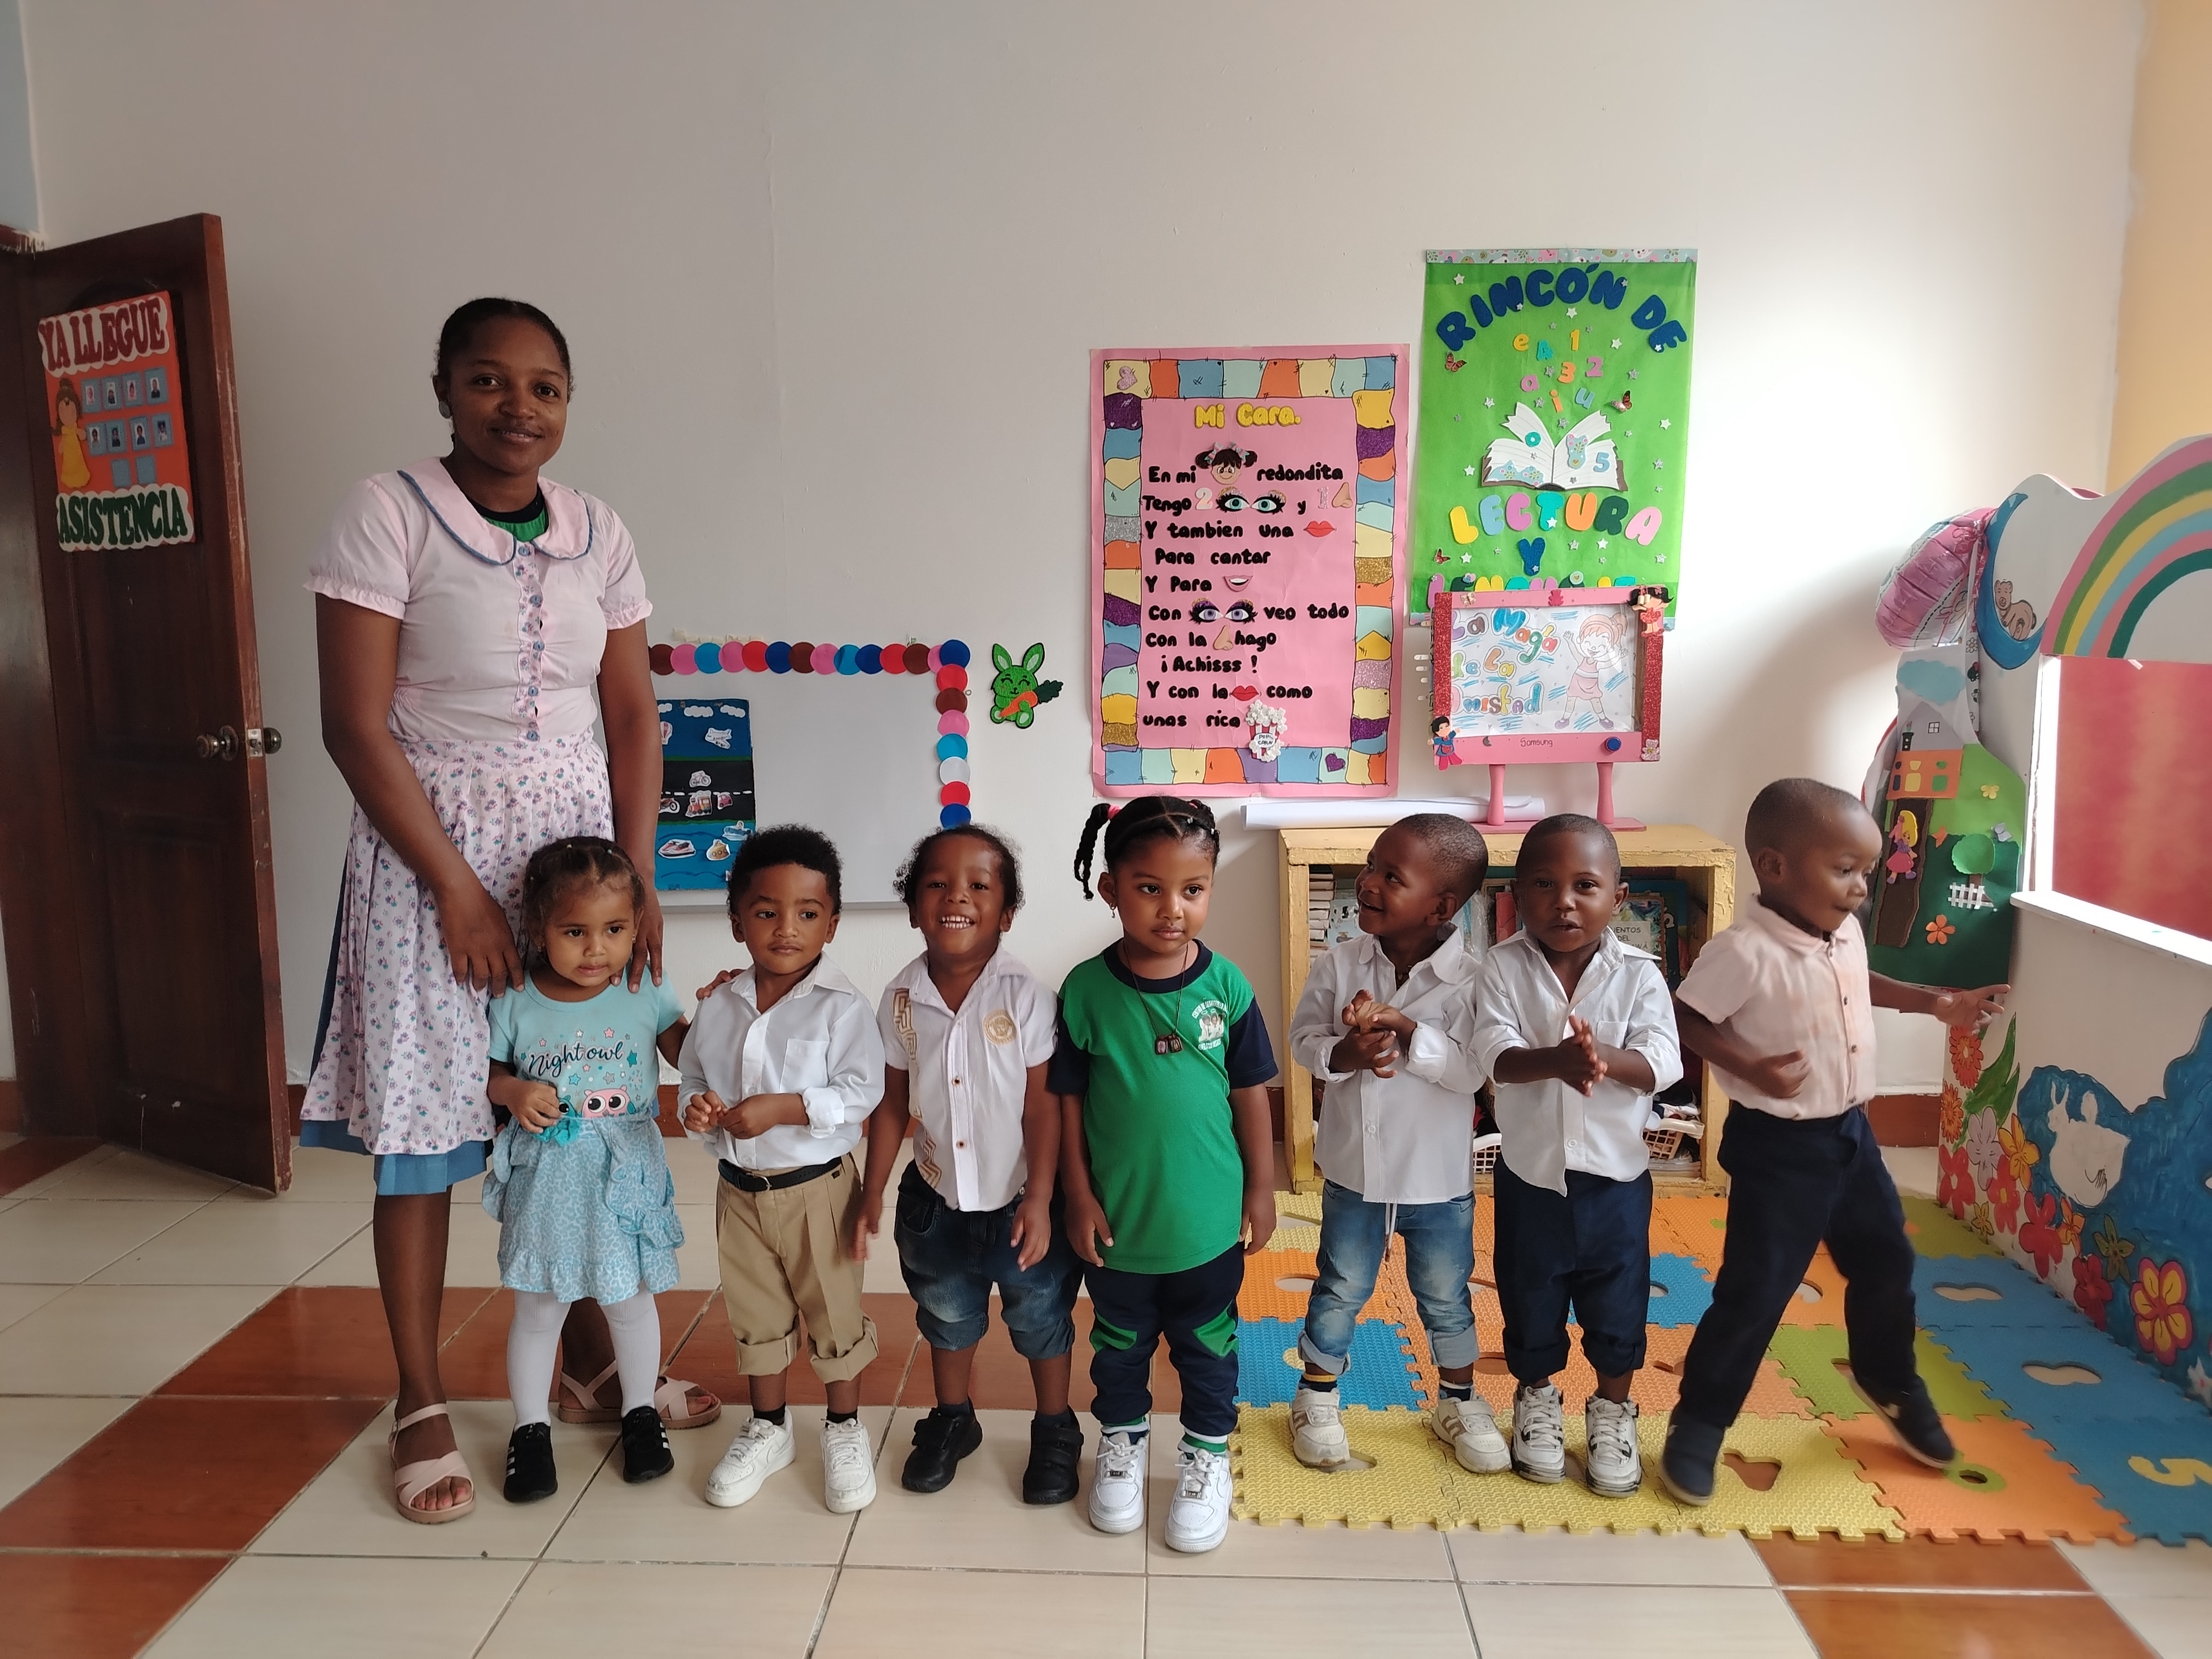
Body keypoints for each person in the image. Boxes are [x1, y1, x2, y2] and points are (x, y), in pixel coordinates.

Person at [301, 298, 714, 1525]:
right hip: (431, 852)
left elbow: (631, 712)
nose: (517, 407)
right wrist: (456, 891)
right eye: (488, 380)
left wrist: (637, 880)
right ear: (443, 389)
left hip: (573, 853)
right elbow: (352, 724)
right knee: (431, 1127)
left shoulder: (599, 531)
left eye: (544, 387)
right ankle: (421, 1398)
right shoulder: (386, 513)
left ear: (568, 402)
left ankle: (589, 1364)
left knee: (582, 1101)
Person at [1658, 778, 2006, 1505]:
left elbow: (1856, 981)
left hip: (1850, 1133)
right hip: (1779, 1150)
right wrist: (1750, 1064)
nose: (1860, 888)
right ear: (1775, 866)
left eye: (1866, 872)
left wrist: (1935, 1003)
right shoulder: (1745, 951)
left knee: (1887, 1260)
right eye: (1845, 870)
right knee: (1757, 1290)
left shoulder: (1839, 929)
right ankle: (1701, 1420)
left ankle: (1888, 1378)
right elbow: (1686, 1017)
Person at [1054, 796, 1278, 1555]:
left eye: (1192, 889)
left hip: (1207, 1225)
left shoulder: (1230, 988)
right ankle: (1121, 1444)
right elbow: (1066, 1103)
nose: (1172, 908)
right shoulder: (1085, 991)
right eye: (1149, 888)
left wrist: (1260, 1189)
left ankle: (1206, 1454)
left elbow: (1252, 1095)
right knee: (1118, 1347)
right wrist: (1076, 1193)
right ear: (1110, 889)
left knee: (1207, 1349)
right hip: (1118, 1225)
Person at [853, 825, 1085, 1502]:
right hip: (936, 1201)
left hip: (1022, 1201)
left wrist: (1040, 1199)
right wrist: (871, 1191)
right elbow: (890, 1105)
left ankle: (1054, 1426)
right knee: (946, 1315)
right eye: (937, 884)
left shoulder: (1027, 998)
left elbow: (1043, 1109)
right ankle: (954, 1418)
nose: (956, 897)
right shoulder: (899, 1000)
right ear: (912, 907)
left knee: (1039, 1316)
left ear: (1006, 913)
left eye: (978, 886)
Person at [1285, 814, 1506, 1476]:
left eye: (1391, 876)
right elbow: (1303, 1041)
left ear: (1440, 906)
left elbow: (1472, 1072)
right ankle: (1316, 1396)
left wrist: (1408, 1031)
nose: (1368, 883)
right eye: (1371, 865)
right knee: (1340, 1286)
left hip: (1436, 1182)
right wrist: (1343, 1053)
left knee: (1445, 1295)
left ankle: (1457, 1401)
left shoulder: (1474, 980)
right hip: (1354, 1172)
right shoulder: (1341, 962)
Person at [1469, 815, 1681, 1497]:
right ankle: (1535, 1398)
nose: (1563, 901)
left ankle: (1613, 1410)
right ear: (1516, 894)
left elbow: (1663, 1061)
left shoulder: (1640, 976)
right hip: (1530, 1178)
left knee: (1617, 1302)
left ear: (1617, 898)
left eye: (1584, 886)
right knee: (1528, 1294)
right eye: (1543, 884)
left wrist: (1601, 1059)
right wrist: (1557, 1061)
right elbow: (1495, 1055)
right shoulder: (1500, 968)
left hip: (1615, 1183)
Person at [680, 826, 886, 1514]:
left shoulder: (843, 1008)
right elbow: (692, 1076)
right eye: (766, 912)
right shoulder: (718, 1004)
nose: (786, 929)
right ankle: (769, 1428)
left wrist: (787, 1108)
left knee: (833, 1312)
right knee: (755, 1312)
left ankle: (844, 1427)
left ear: (833, 922)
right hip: (738, 1193)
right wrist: (697, 1108)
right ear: (736, 920)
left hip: (816, 1193)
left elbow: (862, 1092)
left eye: (807, 913)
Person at [482, 838, 687, 1501]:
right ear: (538, 926)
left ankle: (640, 1413)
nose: (597, 949)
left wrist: (725, 1021)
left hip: (624, 1175)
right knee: (540, 1308)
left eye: (615, 930)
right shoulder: (516, 998)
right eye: (575, 932)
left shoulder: (643, 989)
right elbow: (491, 1074)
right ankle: (530, 1429)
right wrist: (513, 1092)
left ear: (637, 927)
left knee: (631, 1302)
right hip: (547, 1180)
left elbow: (686, 1051)